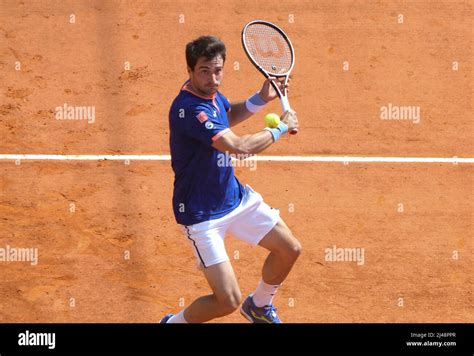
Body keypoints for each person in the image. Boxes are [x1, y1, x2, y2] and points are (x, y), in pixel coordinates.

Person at [162, 35, 301, 323]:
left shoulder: (210, 96)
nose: (213, 79)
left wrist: (260, 99)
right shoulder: (190, 110)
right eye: (204, 71)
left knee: (289, 249)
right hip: (202, 215)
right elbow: (239, 148)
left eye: (218, 70)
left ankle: (259, 306)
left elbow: (227, 115)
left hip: (234, 198)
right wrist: (280, 129)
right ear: (189, 71)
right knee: (227, 301)